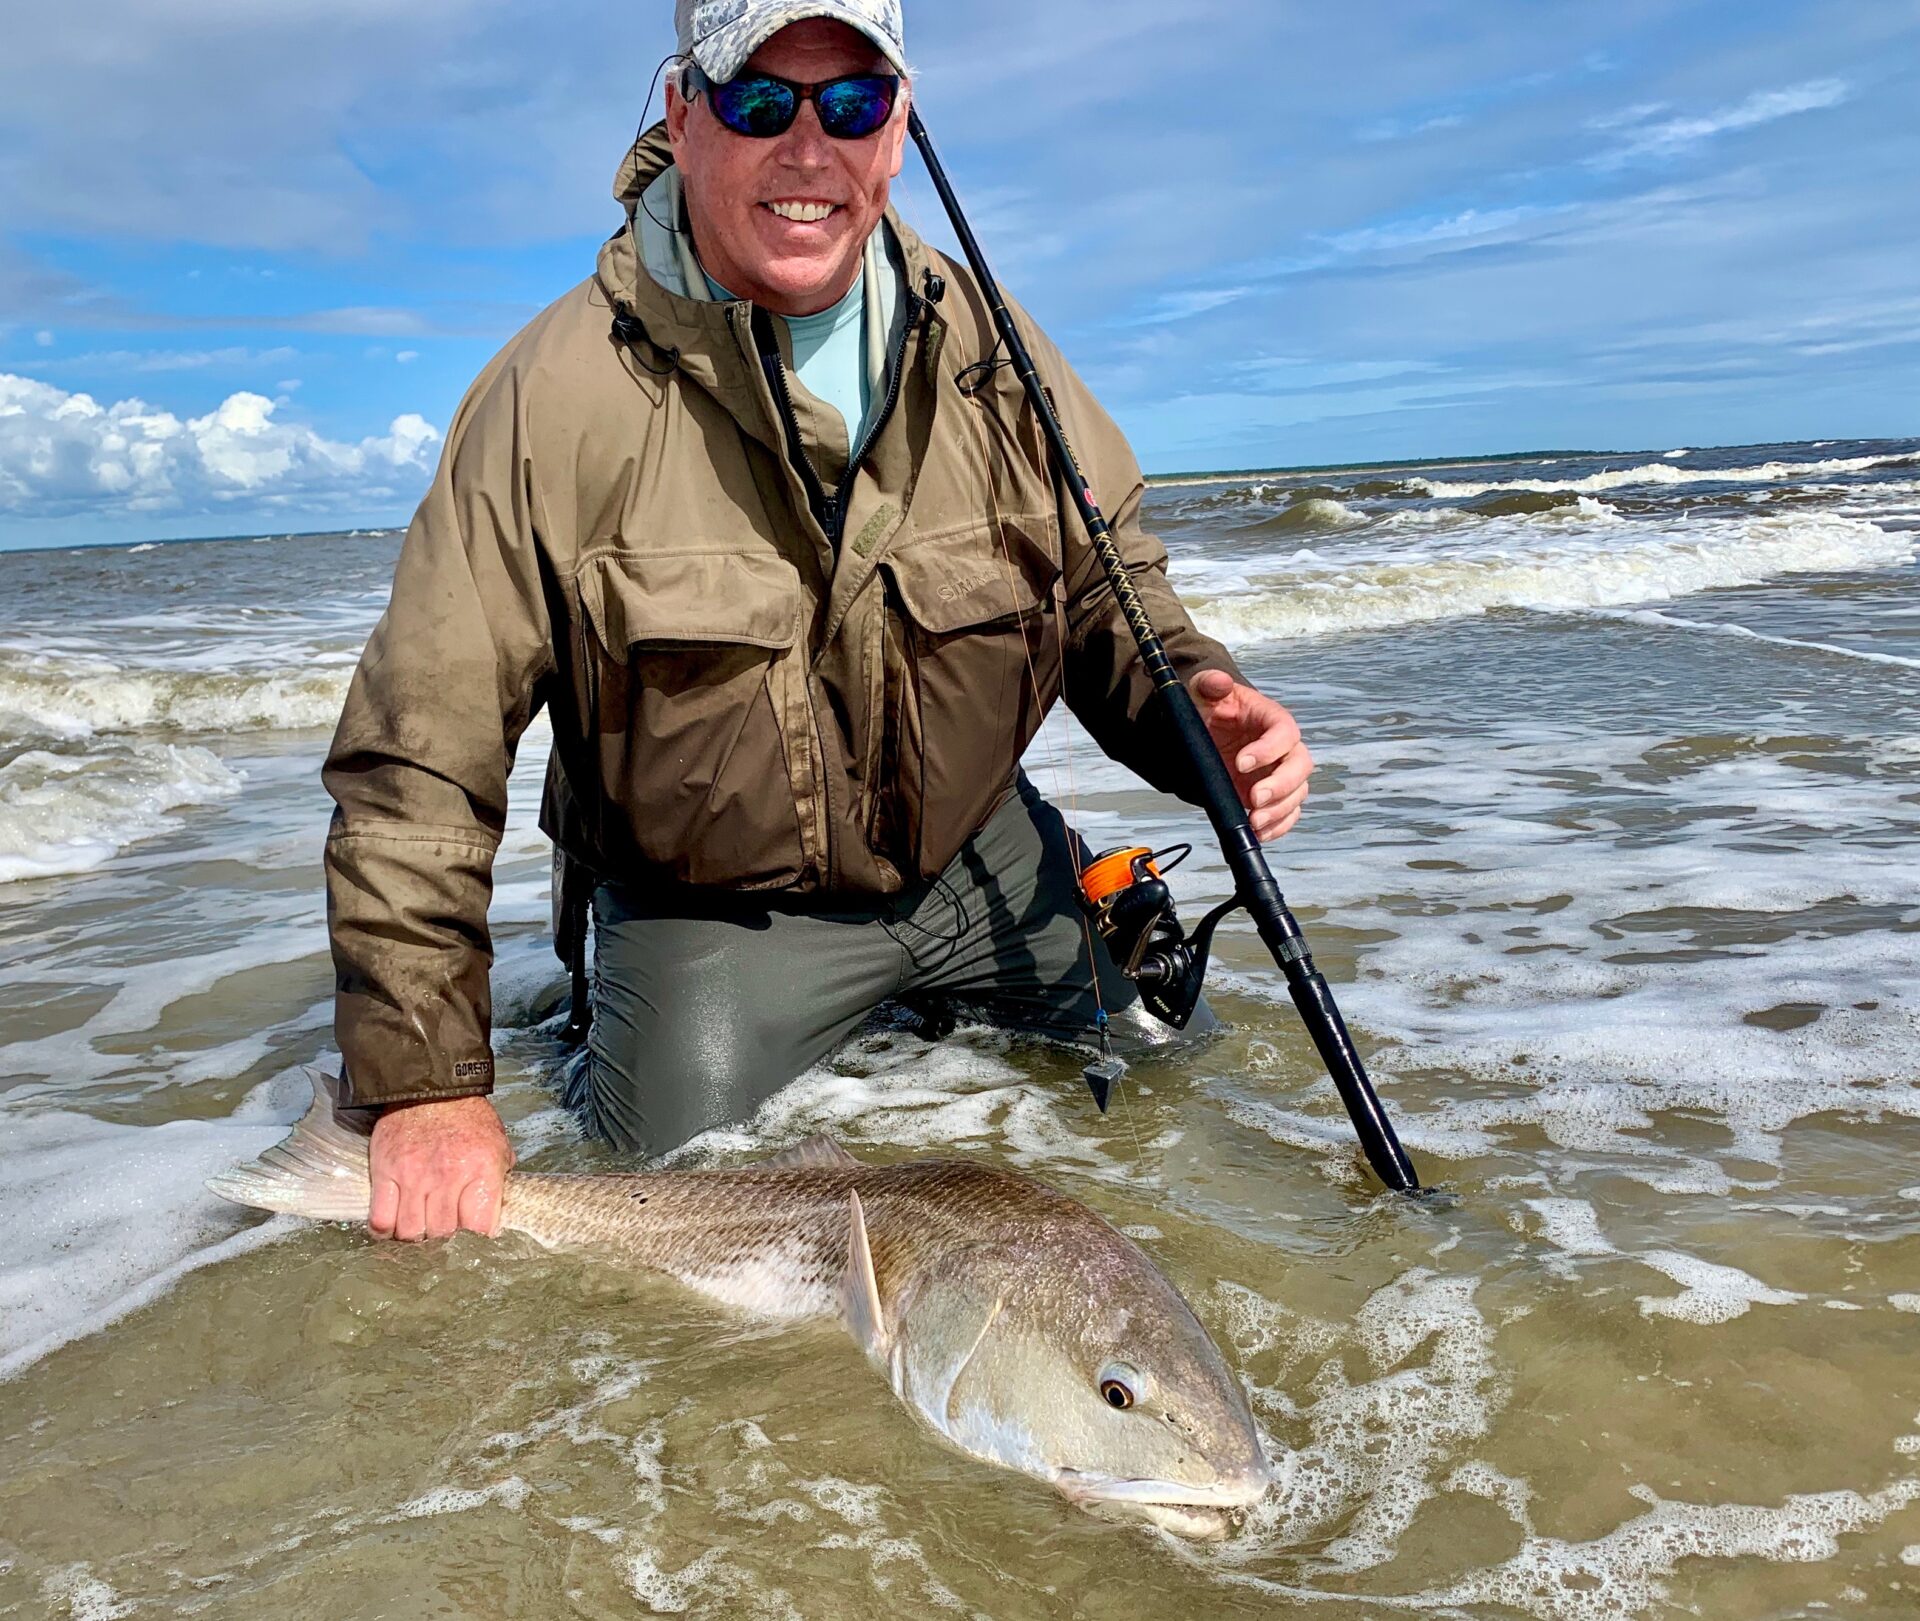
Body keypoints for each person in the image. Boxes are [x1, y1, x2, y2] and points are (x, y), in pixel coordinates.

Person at [323, 0, 1314, 1243]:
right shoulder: (551, 399)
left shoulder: (995, 349)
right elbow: (420, 752)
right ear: (682, 118)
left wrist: (1200, 707)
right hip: (714, 911)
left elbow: (1115, 592)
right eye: (758, 100)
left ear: (897, 132)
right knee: (663, 1233)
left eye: (850, 103)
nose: (808, 148)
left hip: (976, 860)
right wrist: (426, 1084)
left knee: (1184, 1071)